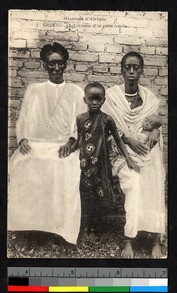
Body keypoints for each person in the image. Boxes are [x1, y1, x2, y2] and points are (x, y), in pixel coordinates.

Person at [8, 42, 86, 247]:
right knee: (21, 164)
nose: (56, 67)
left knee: (65, 168)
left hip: (62, 146)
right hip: (36, 145)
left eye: (60, 63)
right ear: (44, 66)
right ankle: (26, 230)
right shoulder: (34, 90)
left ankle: (59, 231)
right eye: (52, 63)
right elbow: (23, 119)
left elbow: (80, 123)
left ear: (66, 65)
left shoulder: (76, 92)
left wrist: (71, 143)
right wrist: (23, 139)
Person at [102, 51, 166, 258]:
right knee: (136, 182)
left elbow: (155, 127)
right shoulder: (111, 96)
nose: (131, 71)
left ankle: (155, 238)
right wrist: (128, 141)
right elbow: (107, 128)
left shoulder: (149, 98)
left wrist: (154, 132)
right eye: (127, 67)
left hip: (145, 150)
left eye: (135, 67)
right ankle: (129, 238)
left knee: (155, 177)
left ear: (141, 70)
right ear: (121, 70)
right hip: (120, 150)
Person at [69, 82, 140, 240]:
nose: (94, 102)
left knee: (99, 195)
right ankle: (84, 228)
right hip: (84, 164)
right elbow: (79, 139)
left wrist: (128, 159)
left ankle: (96, 228)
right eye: (90, 99)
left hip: (101, 164)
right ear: (84, 99)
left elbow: (119, 140)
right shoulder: (80, 119)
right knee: (84, 195)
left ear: (103, 100)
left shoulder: (107, 119)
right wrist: (69, 148)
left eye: (98, 99)